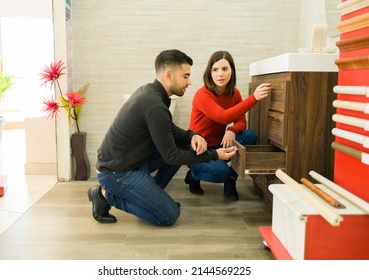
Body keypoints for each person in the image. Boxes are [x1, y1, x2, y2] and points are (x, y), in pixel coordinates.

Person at [89, 49, 238, 227]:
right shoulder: (154, 105)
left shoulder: (152, 93)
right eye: (185, 76)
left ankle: (153, 200)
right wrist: (215, 155)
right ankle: (104, 195)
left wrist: (192, 135)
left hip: (135, 162)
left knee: (184, 144)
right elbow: (172, 157)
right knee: (168, 215)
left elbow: (168, 129)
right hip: (116, 172)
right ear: (169, 75)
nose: (190, 82)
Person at [185, 50, 270, 201]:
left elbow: (241, 122)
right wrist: (254, 98)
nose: (220, 74)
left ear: (232, 71)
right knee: (220, 173)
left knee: (250, 136)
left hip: (218, 144)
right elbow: (223, 117)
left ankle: (231, 181)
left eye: (225, 69)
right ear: (209, 72)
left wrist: (231, 130)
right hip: (198, 149)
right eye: (215, 69)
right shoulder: (202, 94)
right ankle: (193, 174)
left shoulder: (234, 93)